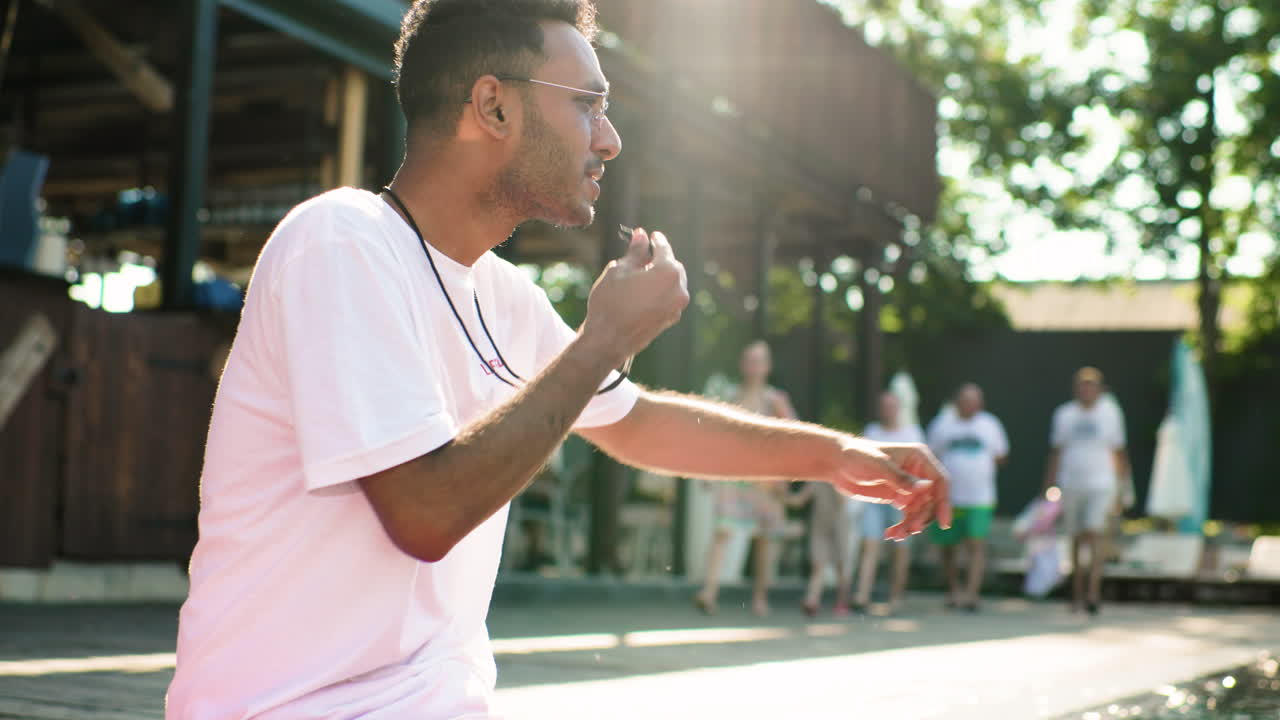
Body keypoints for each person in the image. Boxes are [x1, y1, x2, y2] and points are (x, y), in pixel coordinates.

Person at [165, 2, 951, 717]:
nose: (609, 139)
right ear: (493, 105)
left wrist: (834, 454)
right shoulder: (340, 242)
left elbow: (637, 424)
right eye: (588, 106)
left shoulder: (506, 297)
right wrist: (603, 337)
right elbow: (425, 513)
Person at [694, 341, 797, 617]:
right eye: (749, 360)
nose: (753, 366)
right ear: (742, 364)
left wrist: (784, 477)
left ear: (767, 366)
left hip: (766, 480)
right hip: (735, 474)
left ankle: (760, 598)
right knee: (723, 530)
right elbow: (717, 436)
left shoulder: (775, 400)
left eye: (758, 360)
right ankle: (709, 591)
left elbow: (794, 437)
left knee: (765, 539)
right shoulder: (731, 396)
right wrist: (707, 470)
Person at [1042, 367, 1128, 616]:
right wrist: (1048, 486)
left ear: (1099, 389)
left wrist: (1122, 487)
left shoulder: (1110, 413)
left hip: (1101, 484)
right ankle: (1077, 592)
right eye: (1082, 385)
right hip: (1071, 484)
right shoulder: (1064, 414)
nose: (1086, 390)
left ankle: (1093, 591)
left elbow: (1118, 451)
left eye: (1091, 386)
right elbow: (1056, 451)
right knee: (1075, 538)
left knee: (1095, 534)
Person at [927, 383, 1009, 611]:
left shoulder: (990, 425)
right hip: (949, 498)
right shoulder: (942, 425)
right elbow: (930, 456)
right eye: (966, 400)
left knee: (976, 543)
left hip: (980, 499)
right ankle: (953, 590)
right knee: (948, 547)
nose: (970, 405)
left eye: (975, 400)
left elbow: (1001, 456)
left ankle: (972, 594)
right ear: (957, 402)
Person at [853, 391, 926, 614]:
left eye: (892, 406)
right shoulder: (872, 432)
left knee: (900, 549)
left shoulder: (912, 433)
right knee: (870, 543)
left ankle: (896, 596)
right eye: (884, 406)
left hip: (903, 499)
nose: (888, 410)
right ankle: (862, 595)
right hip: (875, 496)